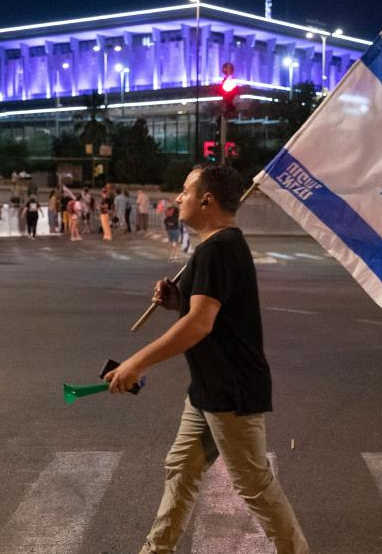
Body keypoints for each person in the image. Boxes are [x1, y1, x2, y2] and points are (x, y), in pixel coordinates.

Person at [105, 164, 309, 554]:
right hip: (207, 390)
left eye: (185, 190)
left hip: (231, 392)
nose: (178, 198)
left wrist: (138, 362)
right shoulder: (217, 248)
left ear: (207, 199)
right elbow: (213, 313)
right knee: (181, 469)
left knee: (255, 487)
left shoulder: (218, 250)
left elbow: (200, 325)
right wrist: (178, 300)